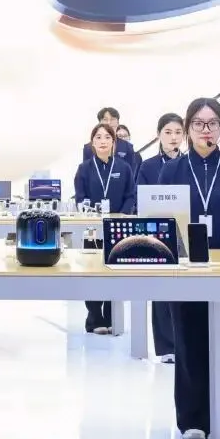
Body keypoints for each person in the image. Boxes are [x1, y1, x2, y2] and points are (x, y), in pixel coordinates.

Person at [157, 98, 220, 439]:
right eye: (198, 123)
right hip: (184, 267)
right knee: (187, 340)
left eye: (213, 123)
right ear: (188, 129)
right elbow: (160, 217)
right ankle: (191, 420)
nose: (206, 130)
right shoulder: (171, 171)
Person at [74, 123, 136, 334]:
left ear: (113, 142)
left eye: (107, 137)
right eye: (98, 137)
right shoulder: (84, 169)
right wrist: (91, 214)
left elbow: (130, 196)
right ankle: (94, 317)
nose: (102, 141)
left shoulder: (124, 168)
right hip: (91, 227)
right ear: (92, 143)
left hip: (116, 228)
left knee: (114, 271)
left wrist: (121, 216)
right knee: (92, 272)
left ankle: (111, 316)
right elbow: (80, 197)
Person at [136, 112, 185, 362]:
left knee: (186, 290)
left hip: (185, 232)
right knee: (161, 290)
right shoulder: (148, 166)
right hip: (157, 232)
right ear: (158, 135)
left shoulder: (190, 164)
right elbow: (140, 200)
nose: (173, 137)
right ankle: (166, 347)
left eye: (178, 132)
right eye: (168, 132)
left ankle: (186, 344)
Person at [83, 106, 141, 175]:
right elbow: (86, 173)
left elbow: (131, 173)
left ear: (118, 123)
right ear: (99, 123)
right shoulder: (88, 148)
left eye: (112, 119)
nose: (109, 122)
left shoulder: (127, 147)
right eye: (105, 119)